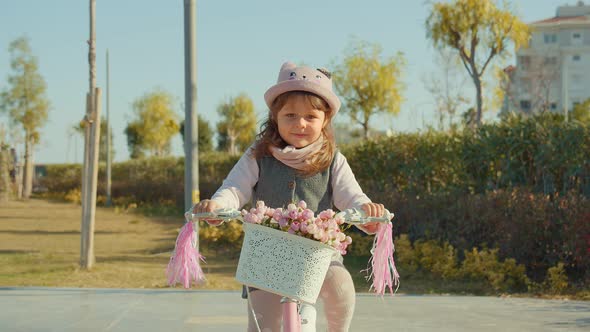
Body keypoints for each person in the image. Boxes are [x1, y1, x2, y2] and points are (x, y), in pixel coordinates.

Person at [193, 61, 386, 332]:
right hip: (267, 253)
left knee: (341, 286)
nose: (301, 124)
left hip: (316, 256)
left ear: (325, 120)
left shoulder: (332, 159)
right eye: (290, 115)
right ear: (275, 117)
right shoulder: (259, 155)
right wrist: (219, 205)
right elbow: (235, 187)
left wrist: (365, 211)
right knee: (263, 326)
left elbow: (350, 194)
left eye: (311, 116)